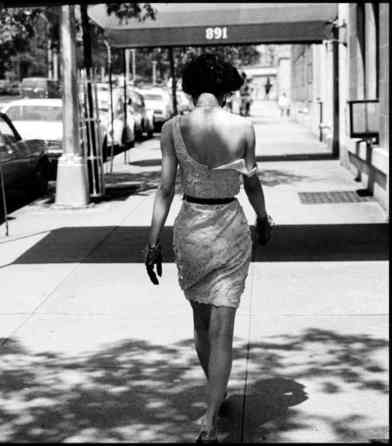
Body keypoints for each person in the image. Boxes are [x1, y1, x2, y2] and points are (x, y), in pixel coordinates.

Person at [144, 53, 273, 443]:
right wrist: (263, 218)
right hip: (231, 227)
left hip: (192, 228)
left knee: (201, 324)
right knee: (224, 328)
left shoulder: (172, 128)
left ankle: (215, 399)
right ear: (227, 87)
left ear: (189, 86)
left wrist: (152, 242)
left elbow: (166, 188)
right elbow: (251, 184)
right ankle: (211, 414)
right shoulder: (244, 127)